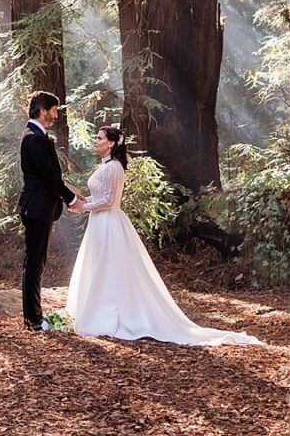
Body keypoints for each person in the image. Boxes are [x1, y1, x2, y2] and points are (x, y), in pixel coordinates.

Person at [64, 126, 261, 347]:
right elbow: (100, 195)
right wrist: (81, 202)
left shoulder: (114, 167)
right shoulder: (106, 166)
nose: (95, 141)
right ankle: (97, 308)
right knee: (100, 265)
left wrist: (84, 207)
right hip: (99, 223)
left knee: (108, 266)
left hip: (108, 222)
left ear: (111, 143)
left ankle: (111, 313)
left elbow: (109, 201)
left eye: (99, 138)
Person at [17, 90, 78, 331]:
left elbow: (53, 177)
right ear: (42, 111)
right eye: (54, 110)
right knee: (34, 263)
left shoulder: (38, 136)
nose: (55, 115)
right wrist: (71, 199)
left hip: (40, 207)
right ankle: (32, 318)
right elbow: (49, 178)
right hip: (37, 207)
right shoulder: (35, 138)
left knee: (36, 262)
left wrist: (74, 193)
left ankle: (33, 316)